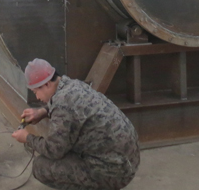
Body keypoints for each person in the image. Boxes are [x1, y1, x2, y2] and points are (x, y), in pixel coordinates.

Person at [11, 58, 140, 190]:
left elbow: (53, 150)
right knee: (67, 142)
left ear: (47, 84)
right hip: (129, 160)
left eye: (36, 92)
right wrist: (42, 112)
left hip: (115, 172)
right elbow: (66, 105)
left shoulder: (62, 104)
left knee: (40, 166)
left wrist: (27, 138)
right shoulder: (72, 84)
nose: (37, 97)